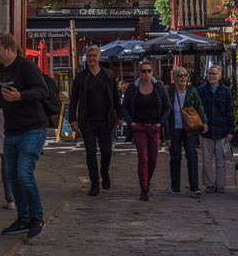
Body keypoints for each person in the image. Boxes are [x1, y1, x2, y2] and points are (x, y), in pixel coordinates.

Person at [0, 32, 48, 240]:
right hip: (11, 132)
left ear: (8, 49)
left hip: (33, 129)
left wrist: (20, 96)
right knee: (13, 177)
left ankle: (37, 218)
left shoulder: (26, 67)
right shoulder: (3, 69)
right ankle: (23, 218)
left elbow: (42, 91)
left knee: (24, 173)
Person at [69, 44, 122, 197]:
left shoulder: (108, 75)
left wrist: (120, 116)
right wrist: (73, 119)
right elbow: (73, 101)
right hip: (88, 122)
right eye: (89, 55)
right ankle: (94, 183)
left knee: (107, 151)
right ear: (86, 57)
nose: (91, 58)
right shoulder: (81, 77)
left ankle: (104, 171)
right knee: (90, 152)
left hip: (105, 121)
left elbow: (115, 98)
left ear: (99, 57)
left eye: (94, 55)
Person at [122, 61, 171, 200]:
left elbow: (167, 107)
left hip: (154, 127)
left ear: (152, 72)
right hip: (139, 127)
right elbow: (124, 107)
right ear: (139, 72)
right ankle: (144, 189)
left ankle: (146, 180)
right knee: (143, 158)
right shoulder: (133, 88)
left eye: (149, 71)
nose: (146, 74)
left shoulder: (159, 87)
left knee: (153, 159)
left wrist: (160, 124)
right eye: (143, 71)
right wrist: (131, 123)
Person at [166, 67, 208, 197]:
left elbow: (199, 107)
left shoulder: (192, 91)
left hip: (189, 128)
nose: (183, 78)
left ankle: (194, 187)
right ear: (175, 79)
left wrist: (204, 122)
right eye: (180, 76)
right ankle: (175, 186)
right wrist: (166, 135)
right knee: (175, 157)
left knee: (192, 155)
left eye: (185, 75)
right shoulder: (170, 92)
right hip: (175, 129)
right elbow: (166, 112)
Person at [197, 65, 235, 193]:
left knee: (220, 161)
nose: (211, 76)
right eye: (209, 73)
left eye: (214, 74)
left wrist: (231, 131)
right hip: (206, 132)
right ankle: (208, 184)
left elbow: (230, 112)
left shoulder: (226, 91)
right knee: (206, 161)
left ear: (219, 75)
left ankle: (220, 186)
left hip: (221, 130)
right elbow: (197, 110)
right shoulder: (201, 90)